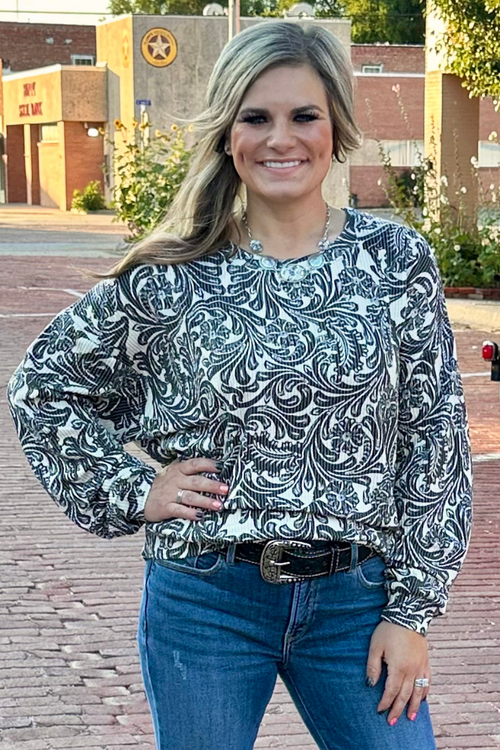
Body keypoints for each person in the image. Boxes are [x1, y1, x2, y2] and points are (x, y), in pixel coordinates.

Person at [7, 21, 472, 750]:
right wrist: (135, 489)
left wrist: (411, 612)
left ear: (336, 128)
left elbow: (434, 435)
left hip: (356, 601)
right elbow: (42, 387)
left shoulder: (393, 259)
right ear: (228, 134)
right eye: (256, 118)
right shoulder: (173, 273)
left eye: (303, 115)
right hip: (206, 599)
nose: (280, 139)